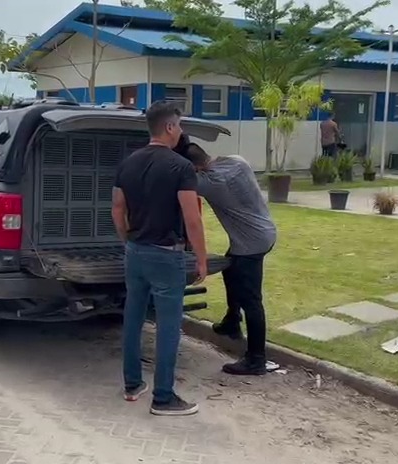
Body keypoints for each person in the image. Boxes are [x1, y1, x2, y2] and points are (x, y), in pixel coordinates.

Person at [111, 101, 208, 416]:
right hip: (166, 255)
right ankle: (163, 398)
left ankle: (132, 384)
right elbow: (192, 219)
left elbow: (117, 209)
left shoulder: (127, 163)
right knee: (168, 326)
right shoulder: (181, 167)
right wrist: (201, 258)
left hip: (135, 252)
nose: (180, 131)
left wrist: (127, 239)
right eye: (179, 125)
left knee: (133, 317)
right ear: (169, 127)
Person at [178, 137, 277, 376]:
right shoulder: (236, 161)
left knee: (251, 300)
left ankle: (256, 359)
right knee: (230, 268)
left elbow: (180, 184)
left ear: (195, 168)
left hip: (250, 243)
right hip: (264, 231)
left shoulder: (211, 182)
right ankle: (232, 321)